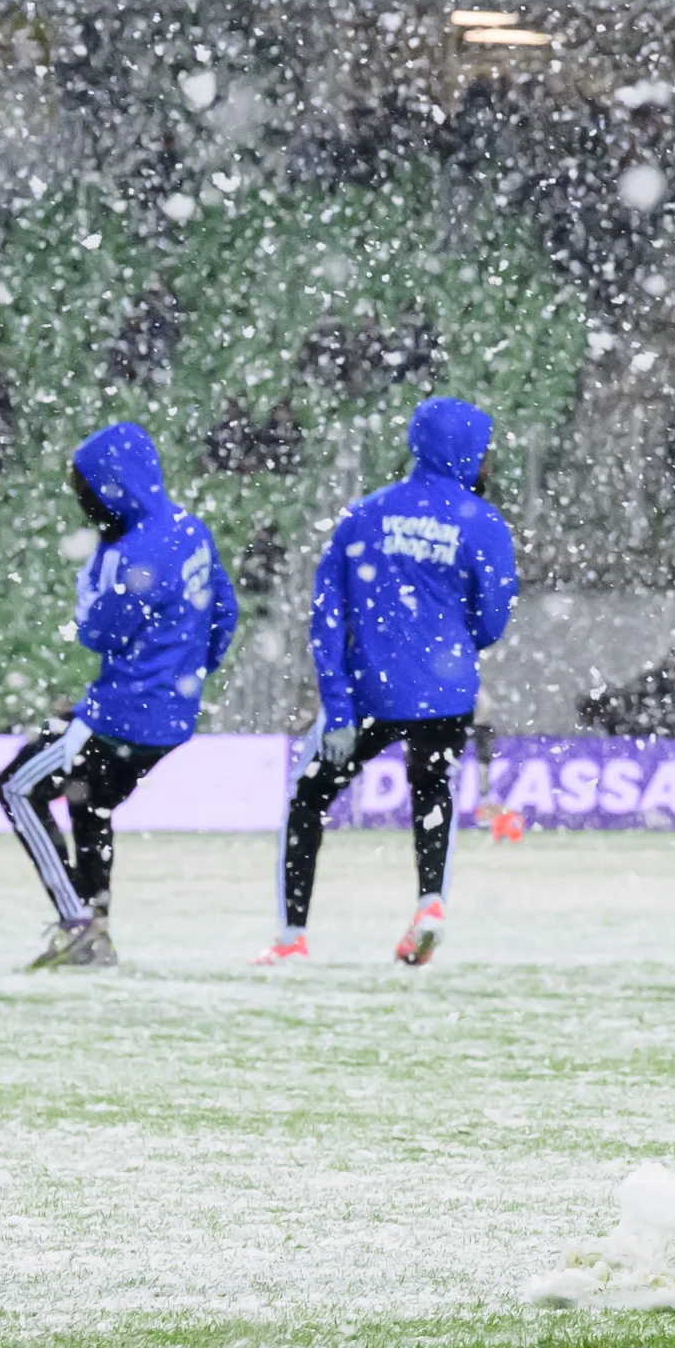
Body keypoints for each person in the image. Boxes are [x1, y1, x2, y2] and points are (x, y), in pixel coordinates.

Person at [272, 396, 521, 968]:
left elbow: (327, 616)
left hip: (370, 692)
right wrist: (455, 645)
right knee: (432, 795)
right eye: (482, 452)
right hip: (446, 692)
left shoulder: (365, 515)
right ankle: (430, 906)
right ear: (467, 454)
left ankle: (292, 936)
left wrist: (337, 706)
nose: (486, 463)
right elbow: (494, 617)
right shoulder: (481, 522)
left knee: (308, 800)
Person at [0, 422, 236, 971]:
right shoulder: (189, 530)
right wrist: (189, 675)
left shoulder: (132, 555)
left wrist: (91, 588)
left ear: (109, 487)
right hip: (169, 720)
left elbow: (97, 632)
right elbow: (225, 611)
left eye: (84, 490)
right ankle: (96, 926)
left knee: (15, 788)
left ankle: (77, 922)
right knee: (90, 801)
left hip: (118, 716)